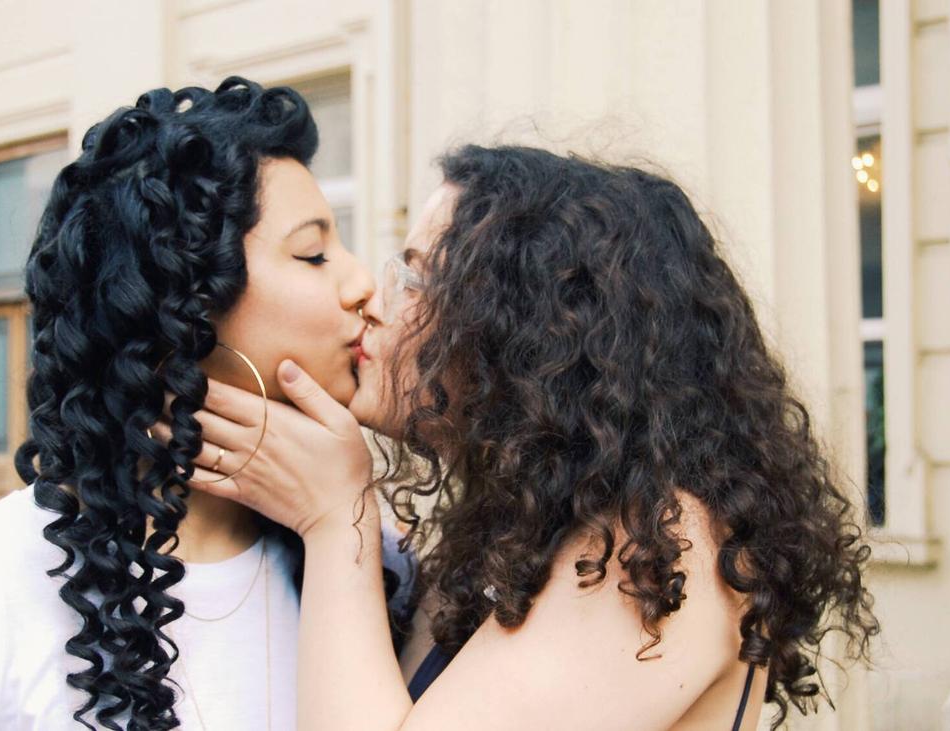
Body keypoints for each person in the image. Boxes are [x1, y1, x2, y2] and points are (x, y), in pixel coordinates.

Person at [180, 144, 880, 730]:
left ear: (527, 331)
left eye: (418, 278)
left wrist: (339, 520)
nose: (374, 299)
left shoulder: (660, 549)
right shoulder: (521, 533)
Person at [0, 78, 409, 731]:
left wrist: (344, 521)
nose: (362, 283)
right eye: (313, 253)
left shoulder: (368, 560)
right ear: (177, 312)